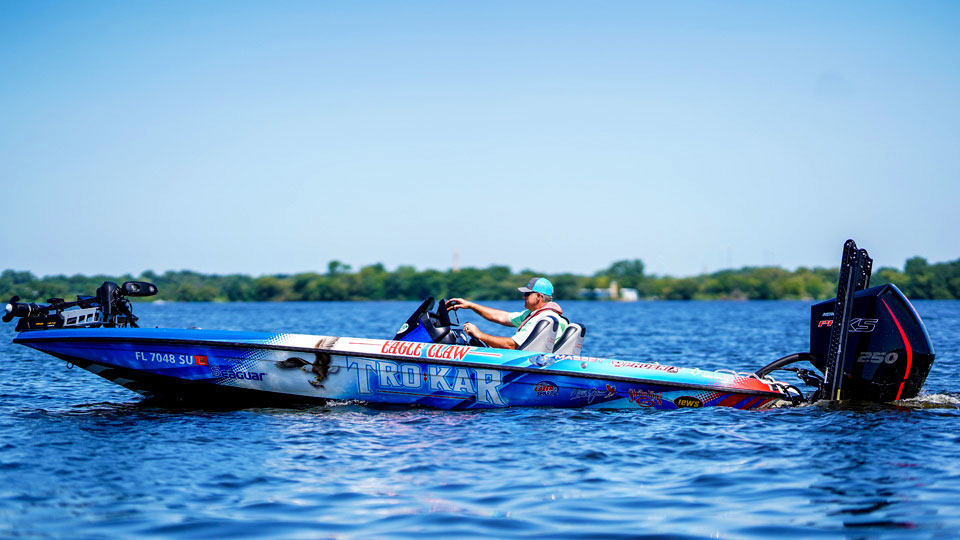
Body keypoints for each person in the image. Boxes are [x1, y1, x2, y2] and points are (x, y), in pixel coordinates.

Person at [447, 277, 567, 350]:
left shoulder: (541, 318)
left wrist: (479, 335)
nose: (523, 296)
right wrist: (471, 305)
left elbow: (512, 345)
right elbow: (502, 317)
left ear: (538, 297)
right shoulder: (541, 315)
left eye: (527, 294)